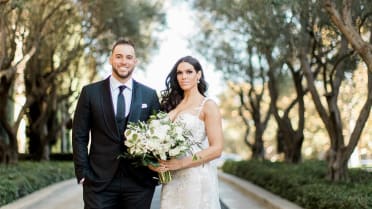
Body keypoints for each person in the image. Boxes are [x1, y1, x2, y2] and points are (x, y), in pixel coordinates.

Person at [72, 38, 160, 209]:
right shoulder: (90, 93)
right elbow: (79, 135)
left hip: (139, 183)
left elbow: (157, 135)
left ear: (135, 61)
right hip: (98, 182)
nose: (124, 61)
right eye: (119, 56)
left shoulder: (149, 95)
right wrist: (83, 172)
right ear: (111, 59)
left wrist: (154, 170)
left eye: (128, 57)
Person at [155, 55, 224, 209]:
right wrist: (154, 162)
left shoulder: (208, 105)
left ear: (198, 75)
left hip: (196, 178)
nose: (183, 76)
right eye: (179, 73)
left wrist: (180, 163)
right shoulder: (171, 105)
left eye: (189, 72)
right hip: (171, 180)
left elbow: (216, 149)